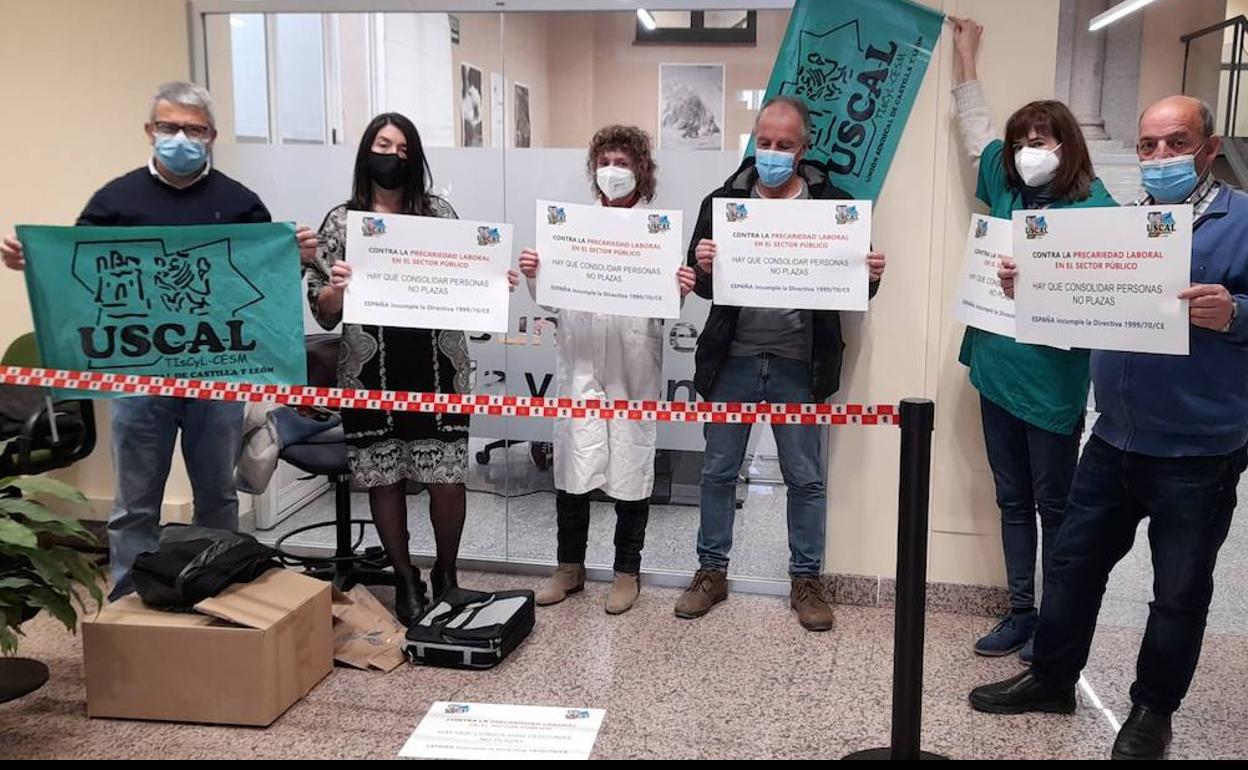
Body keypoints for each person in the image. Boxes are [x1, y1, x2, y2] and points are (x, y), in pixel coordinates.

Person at [970, 93, 1248, 761]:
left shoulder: (1242, 222)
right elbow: (1084, 305)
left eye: (1175, 144)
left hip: (1198, 450)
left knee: (1178, 591)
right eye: (1148, 145)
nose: (1158, 158)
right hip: (1113, 436)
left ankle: (1152, 709)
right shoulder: (1128, 225)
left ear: (1208, 149)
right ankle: (1053, 677)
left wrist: (1236, 312)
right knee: (1071, 566)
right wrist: (1029, 286)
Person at [1, 81, 317, 600]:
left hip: (215, 379)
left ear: (211, 136)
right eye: (169, 127)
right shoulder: (115, 201)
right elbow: (77, 272)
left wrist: (294, 254)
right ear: (150, 131)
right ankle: (130, 607)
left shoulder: (239, 203)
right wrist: (32, 261)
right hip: (138, 382)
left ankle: (219, 593)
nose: (181, 138)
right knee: (135, 505)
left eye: (194, 130)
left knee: (216, 496)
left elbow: (263, 282)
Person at [674, 96, 886, 632]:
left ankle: (806, 581)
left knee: (807, 478)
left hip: (801, 365)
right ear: (754, 142)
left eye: (784, 145)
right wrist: (700, 267)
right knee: (719, 473)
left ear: (803, 147)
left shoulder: (832, 205)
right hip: (732, 362)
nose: (772, 153)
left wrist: (872, 274)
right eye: (764, 143)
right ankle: (711, 572)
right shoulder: (723, 201)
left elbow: (855, 289)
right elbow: (697, 285)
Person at [305, 112, 518, 625]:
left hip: (438, 366)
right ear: (365, 151)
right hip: (369, 368)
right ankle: (405, 577)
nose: (393, 156)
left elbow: (469, 279)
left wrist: (493, 284)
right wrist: (338, 286)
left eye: (403, 149)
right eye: (383, 144)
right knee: (384, 476)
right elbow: (324, 310)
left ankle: (447, 574)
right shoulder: (341, 222)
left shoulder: (439, 215)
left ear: (415, 158)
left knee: (447, 477)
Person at [949, 17, 1116, 663]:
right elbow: (975, 130)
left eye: (1040, 140)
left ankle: (1060, 620)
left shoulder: (1099, 211)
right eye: (1022, 141)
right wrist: (966, 53)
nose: (1027, 151)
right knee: (1011, 499)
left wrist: (1047, 280)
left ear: (1067, 145)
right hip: (997, 367)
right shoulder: (1009, 189)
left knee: (1056, 504)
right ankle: (1021, 611)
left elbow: (1111, 300)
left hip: (1053, 382)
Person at [521, 125, 696, 615]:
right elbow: (551, 301)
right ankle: (568, 569)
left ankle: (626, 572)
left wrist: (679, 288)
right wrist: (538, 274)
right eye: (605, 161)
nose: (613, 171)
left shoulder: (655, 233)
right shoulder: (571, 229)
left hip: (631, 367)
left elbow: (665, 306)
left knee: (631, 466)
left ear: (642, 169)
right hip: (579, 364)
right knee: (572, 465)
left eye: (623, 161)